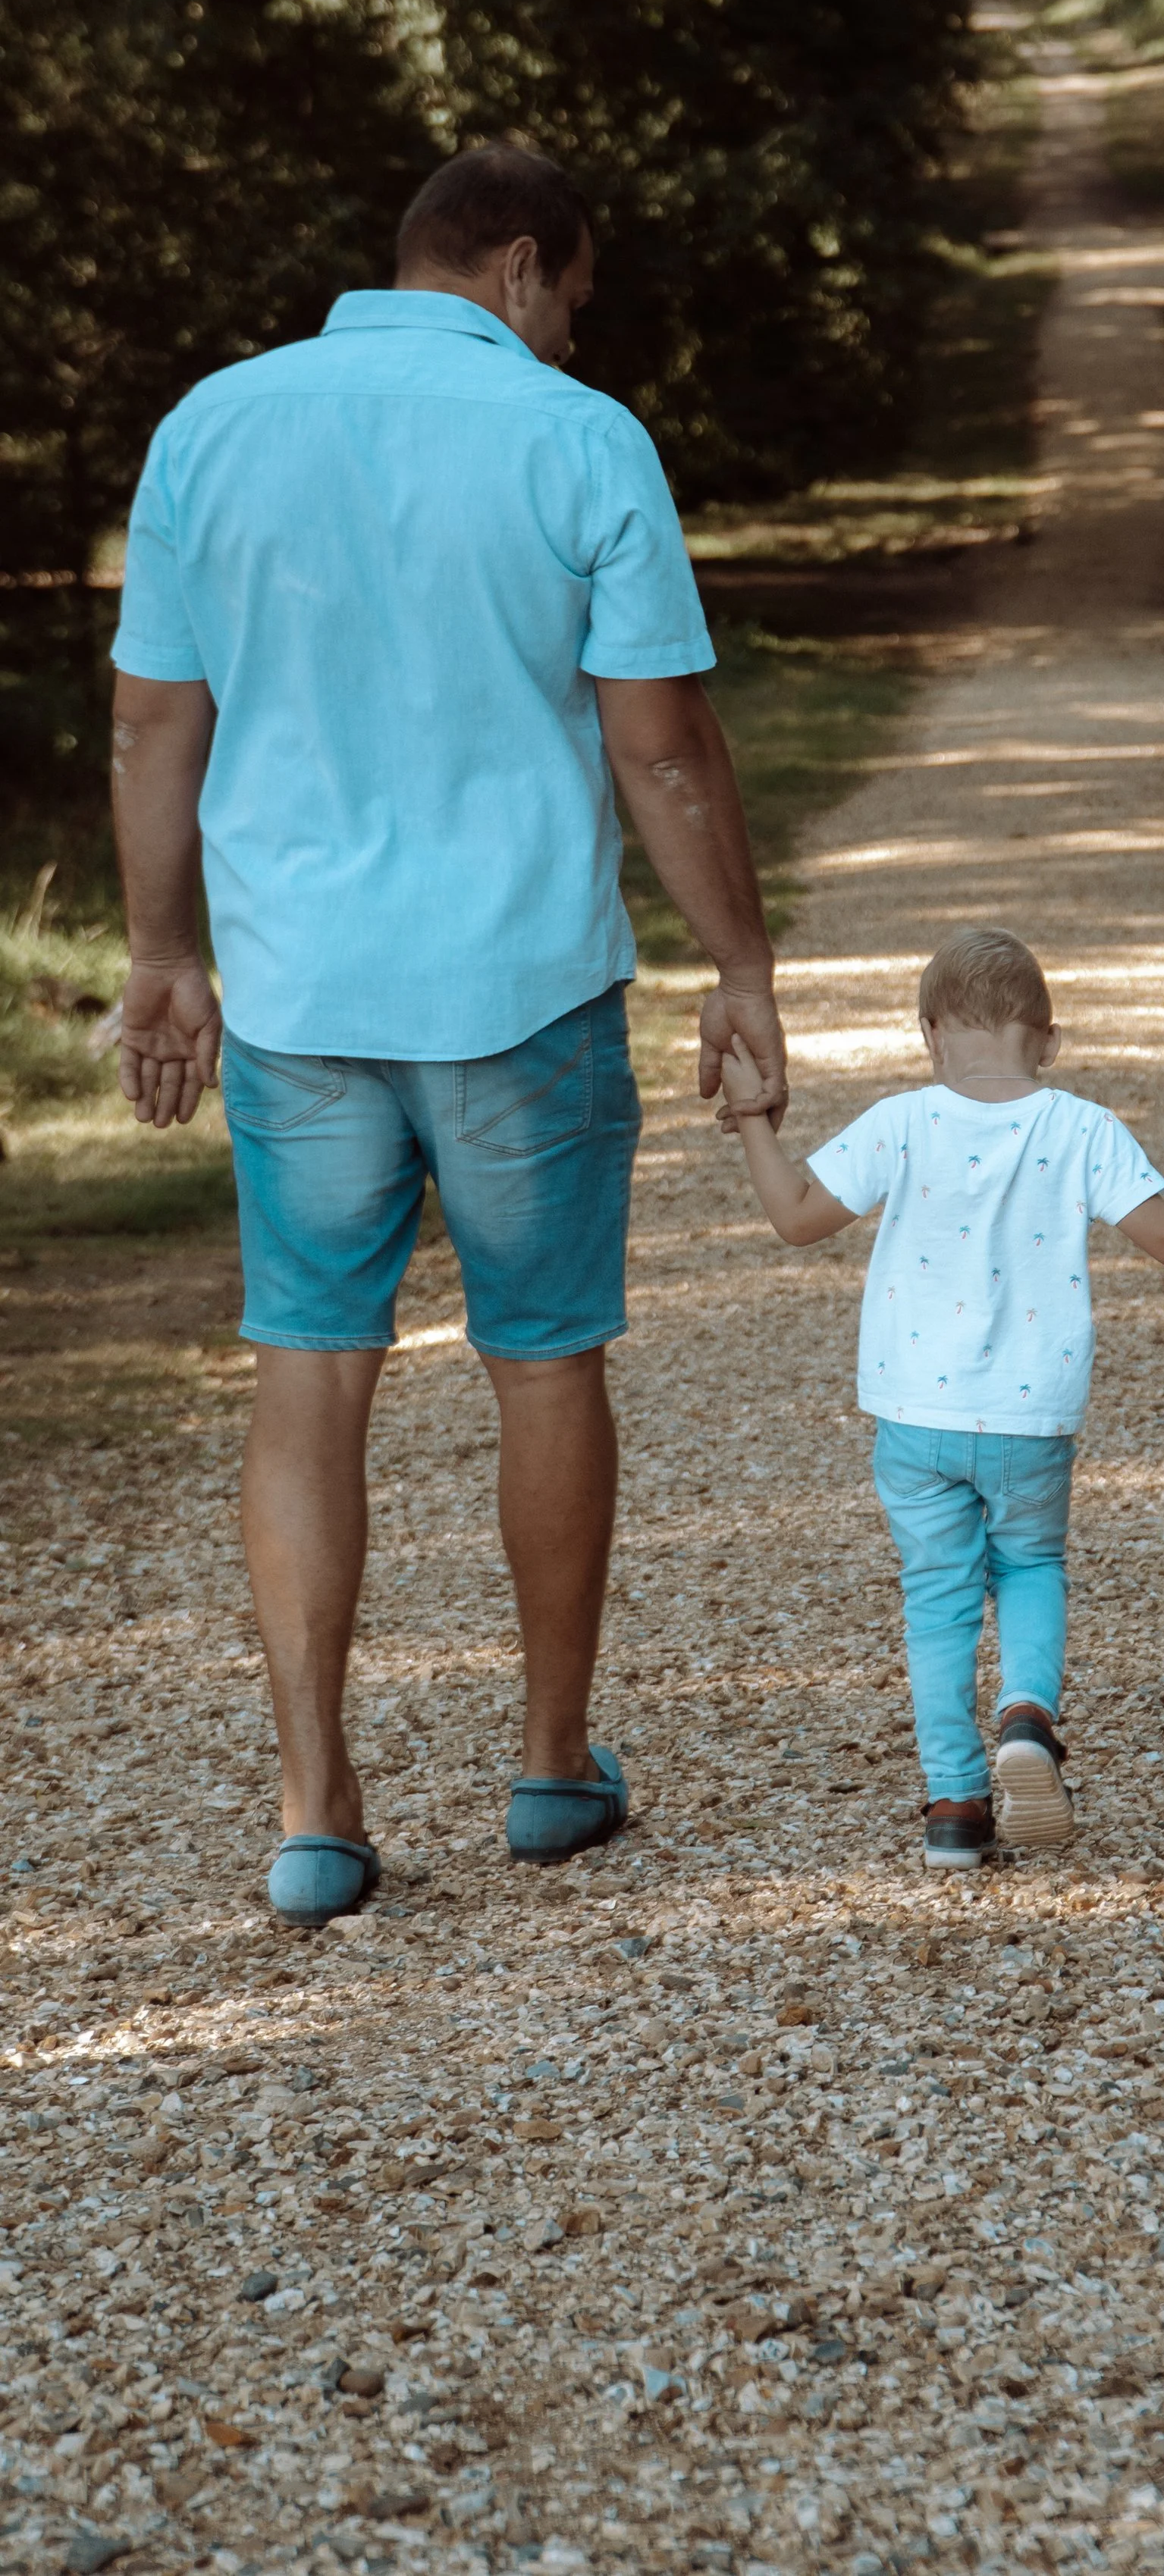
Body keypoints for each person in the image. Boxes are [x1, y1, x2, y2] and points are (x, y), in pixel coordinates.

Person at [109, 142, 786, 1926]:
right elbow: (659, 742)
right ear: (517, 264)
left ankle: (315, 1800)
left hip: (304, 998)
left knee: (307, 1367)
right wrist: (741, 963)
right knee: (543, 1357)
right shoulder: (579, 441)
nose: (573, 333)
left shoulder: (213, 426)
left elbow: (151, 725)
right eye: (575, 297)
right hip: (521, 990)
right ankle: (553, 1759)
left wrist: (162, 952)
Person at [717, 925, 1164, 1871]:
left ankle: (954, 1806)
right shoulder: (1081, 1126)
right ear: (1047, 1039)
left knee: (938, 1601)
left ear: (929, 1032)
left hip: (915, 1415)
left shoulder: (899, 1121)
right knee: (1031, 1565)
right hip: (1030, 1413)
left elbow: (796, 1217)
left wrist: (754, 1118)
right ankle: (1029, 1717)